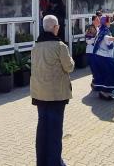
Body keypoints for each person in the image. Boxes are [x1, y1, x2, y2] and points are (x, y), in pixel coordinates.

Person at [31, 15, 74, 166]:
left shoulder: (36, 46)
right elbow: (69, 67)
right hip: (56, 95)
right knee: (55, 131)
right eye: (58, 26)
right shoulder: (60, 46)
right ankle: (55, 162)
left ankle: (41, 161)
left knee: (42, 130)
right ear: (55, 27)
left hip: (39, 94)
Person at [87, 16, 114, 100]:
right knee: (113, 74)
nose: (109, 23)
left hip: (101, 56)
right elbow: (106, 38)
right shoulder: (104, 31)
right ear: (105, 23)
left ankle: (104, 92)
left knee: (106, 75)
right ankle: (105, 92)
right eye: (108, 22)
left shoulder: (101, 30)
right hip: (105, 57)